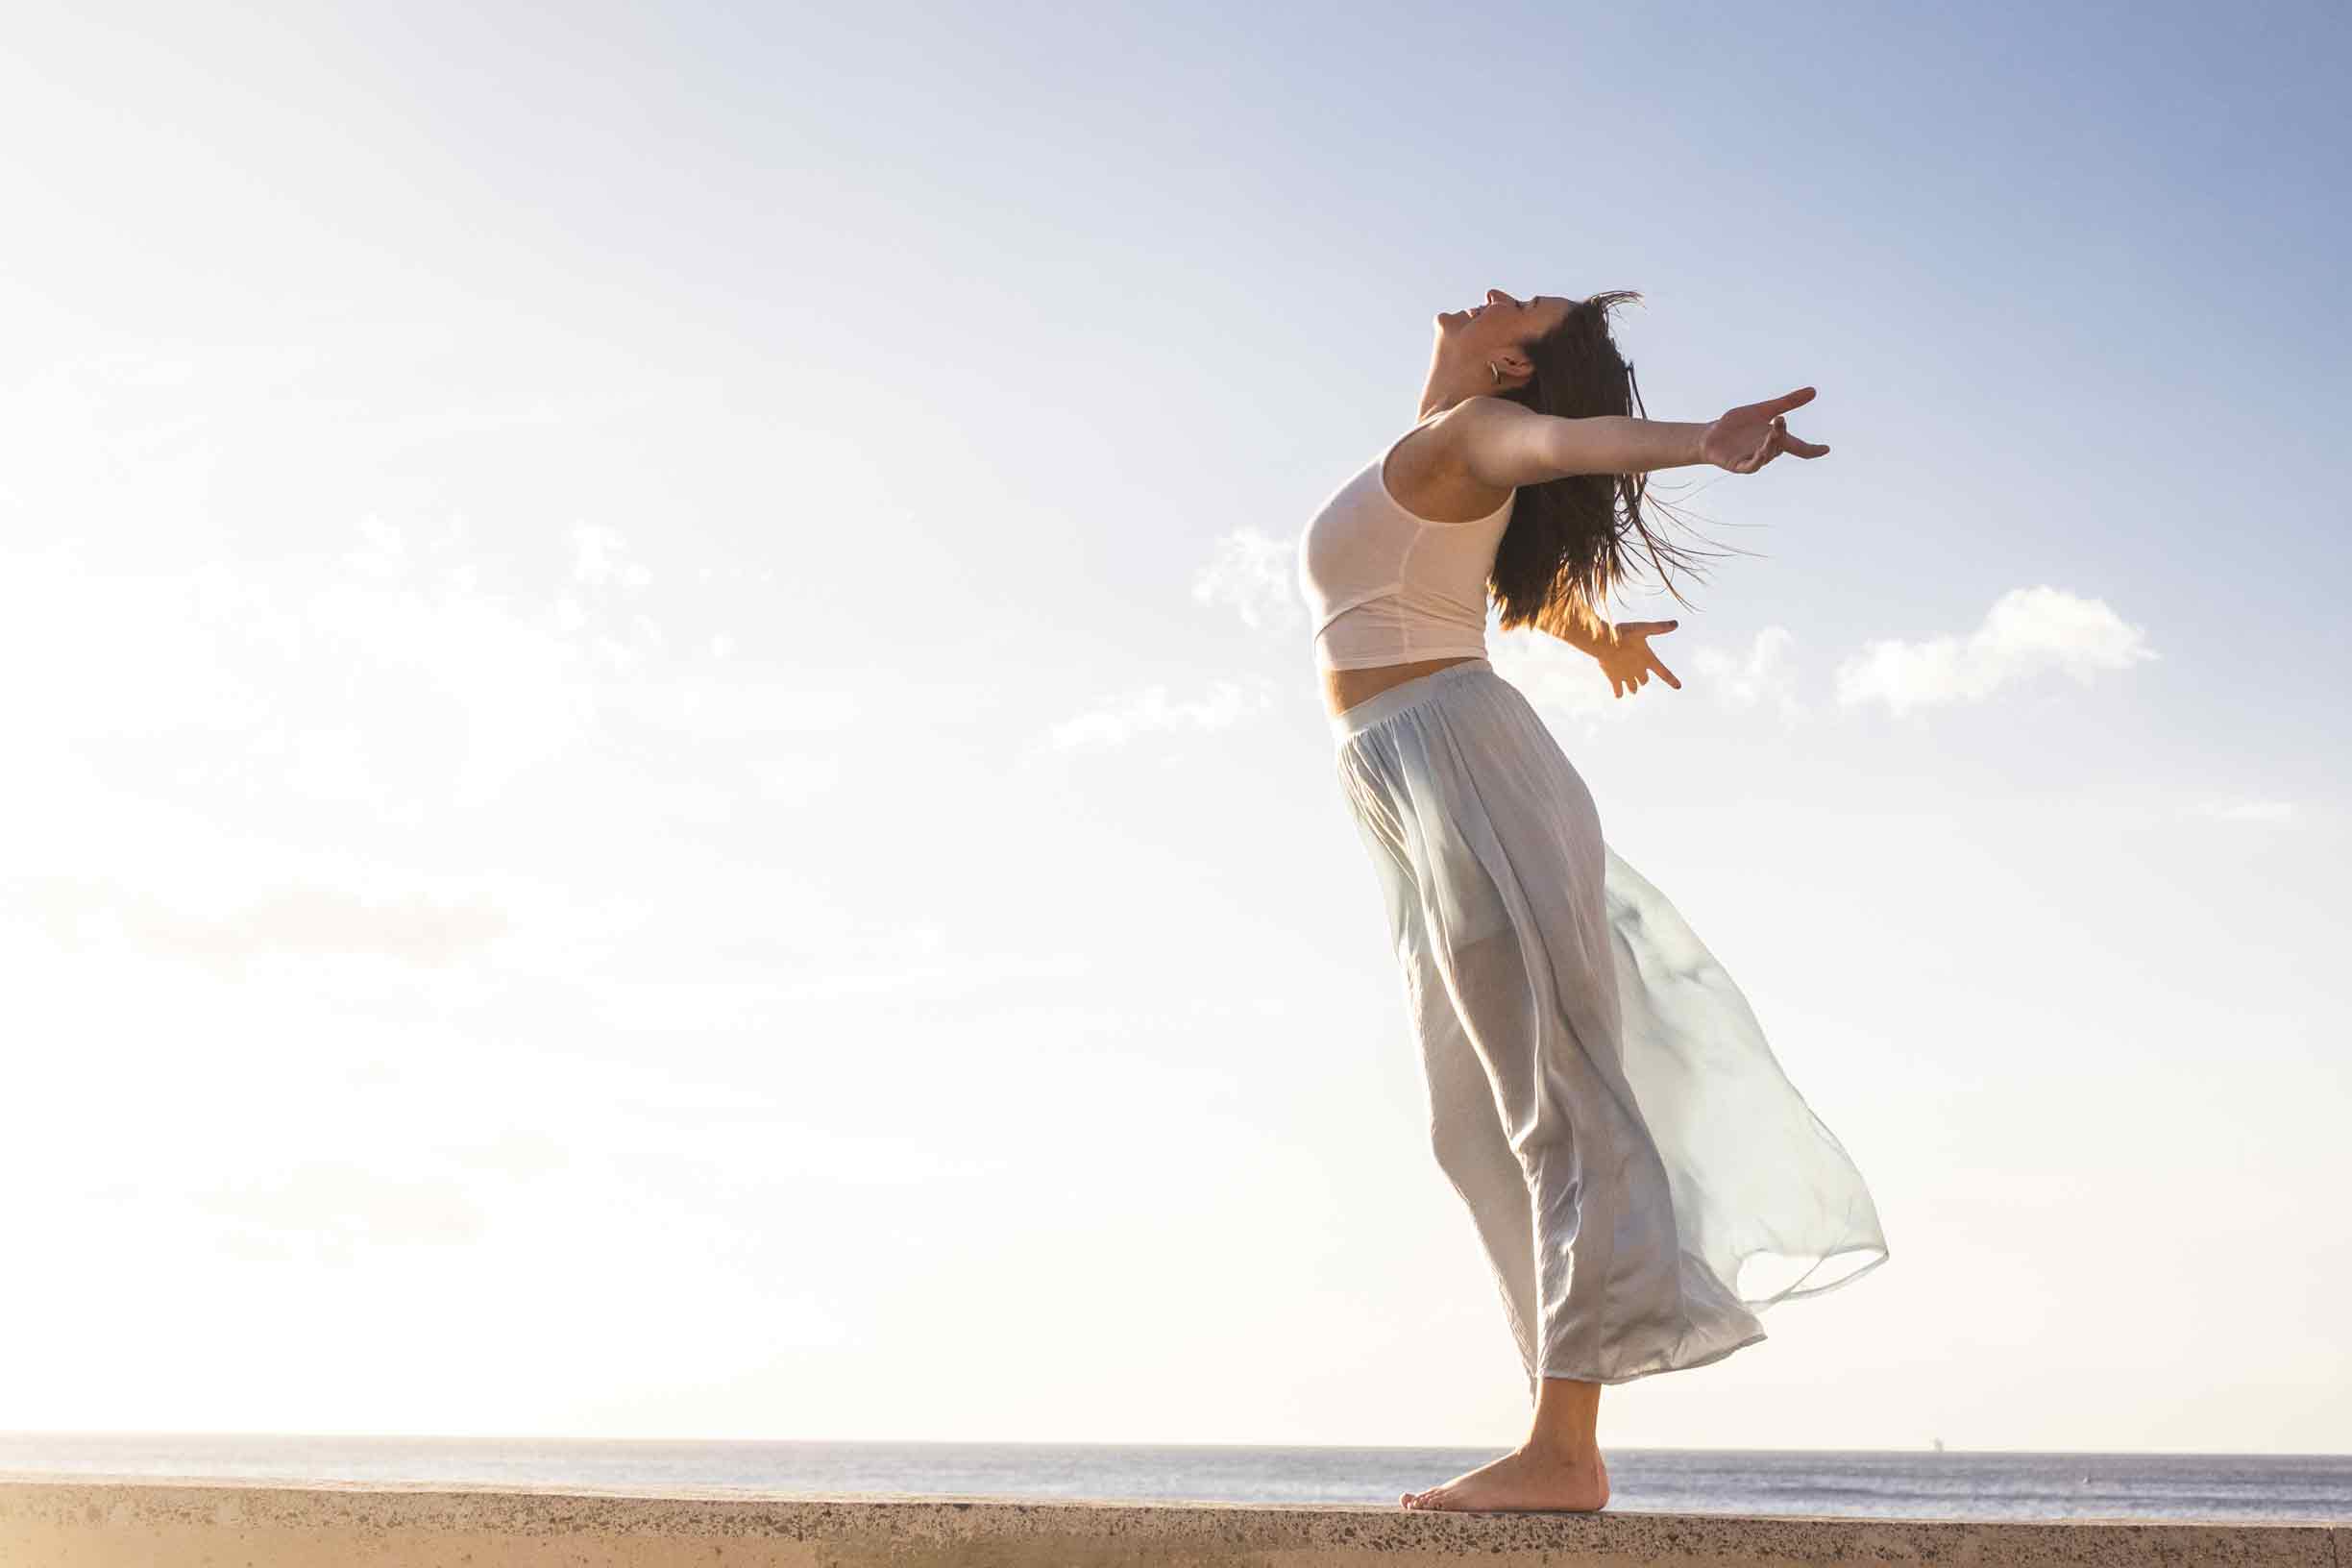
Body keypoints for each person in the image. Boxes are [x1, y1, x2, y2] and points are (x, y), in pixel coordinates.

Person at [1297, 289, 1889, 1514]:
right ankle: (1549, 1425)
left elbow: (1571, 444)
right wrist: (1594, 635)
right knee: (1469, 1122)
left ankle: (1566, 1450)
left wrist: (1706, 440)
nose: (1498, 293)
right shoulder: (1440, 446)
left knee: (1560, 1089)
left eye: (1526, 307)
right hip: (1403, 776)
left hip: (1459, 755)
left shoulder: (1479, 427)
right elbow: (1462, 568)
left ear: (1513, 360)